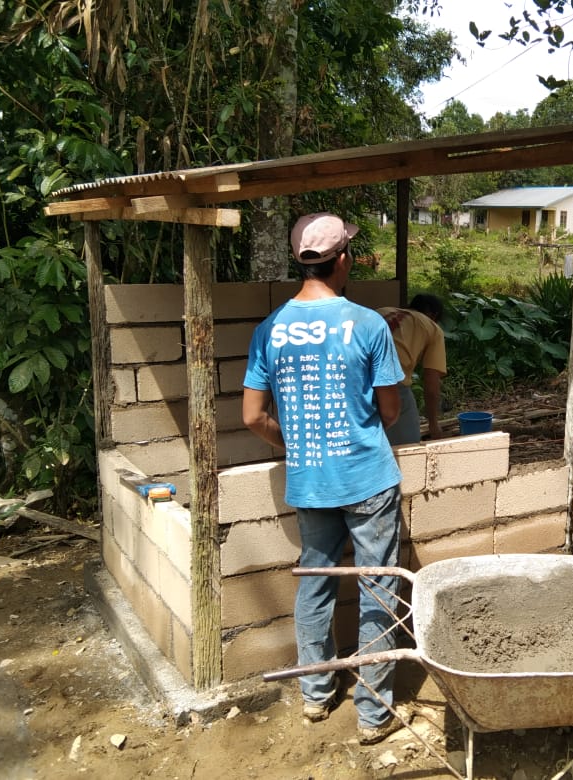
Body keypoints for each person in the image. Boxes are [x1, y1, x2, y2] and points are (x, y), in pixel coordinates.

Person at [242, 212, 408, 745]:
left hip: (310, 482)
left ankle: (315, 695)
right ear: (342, 260)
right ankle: (373, 711)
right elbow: (389, 409)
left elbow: (252, 416)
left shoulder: (270, 328)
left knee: (314, 582)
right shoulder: (367, 324)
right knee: (377, 586)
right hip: (367, 479)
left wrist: (298, 445)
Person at [378, 294, 448, 444]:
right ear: (433, 315)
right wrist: (433, 425)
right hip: (390, 378)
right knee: (408, 444)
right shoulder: (432, 328)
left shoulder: (380, 311)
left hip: (350, 376)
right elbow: (431, 384)